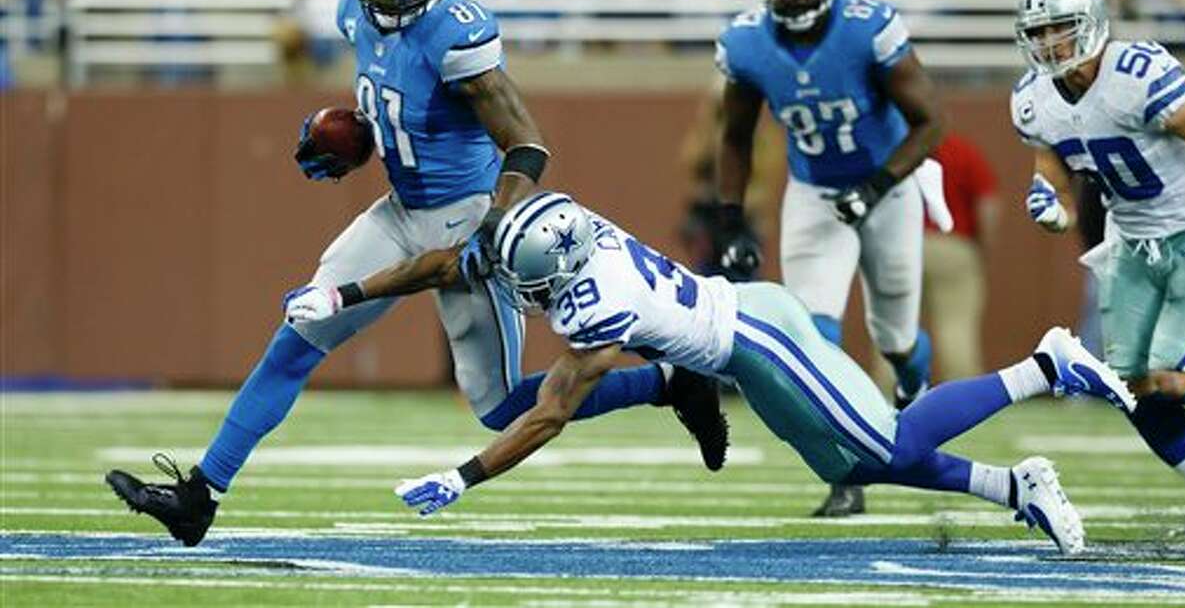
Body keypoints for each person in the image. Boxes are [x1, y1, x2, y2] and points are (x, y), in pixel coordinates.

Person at [104, 0, 728, 547]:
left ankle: (669, 381)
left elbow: (527, 145)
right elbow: (401, 110)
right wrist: (353, 141)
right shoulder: (353, 9)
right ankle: (199, 495)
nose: (386, 0)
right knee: (299, 331)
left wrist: (493, 224)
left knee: (501, 408)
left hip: (467, 216)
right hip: (402, 210)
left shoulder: (455, 37)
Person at [288, 191, 1141, 556]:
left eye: (533, 281)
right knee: (852, 462)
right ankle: (1012, 487)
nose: (525, 291)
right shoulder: (572, 232)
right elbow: (456, 263)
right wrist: (348, 289)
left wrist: (463, 473)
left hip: (759, 339)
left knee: (884, 437)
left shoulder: (595, 299)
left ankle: (1043, 364)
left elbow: (550, 411)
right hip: (741, 336)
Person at [713, 0, 944, 517]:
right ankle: (848, 474)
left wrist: (877, 185)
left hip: (888, 188)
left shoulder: (869, 29)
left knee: (894, 336)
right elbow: (735, 137)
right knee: (813, 339)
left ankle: (913, 387)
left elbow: (930, 123)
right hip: (815, 192)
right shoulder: (745, 44)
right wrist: (731, 218)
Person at [1010, 0, 1185, 487]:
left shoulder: (1136, 71)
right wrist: (1050, 200)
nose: (1050, 41)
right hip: (1133, 240)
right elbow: (1052, 160)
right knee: (1128, 386)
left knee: (1172, 380)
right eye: (1039, 31)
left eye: (1061, 26)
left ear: (1092, 20)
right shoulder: (1034, 99)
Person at [922, 132, 1001, 379]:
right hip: (953, 244)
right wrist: (983, 247)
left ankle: (884, 395)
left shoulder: (891, 148)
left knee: (895, 327)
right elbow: (987, 203)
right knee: (955, 327)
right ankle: (962, 393)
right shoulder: (961, 150)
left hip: (902, 245)